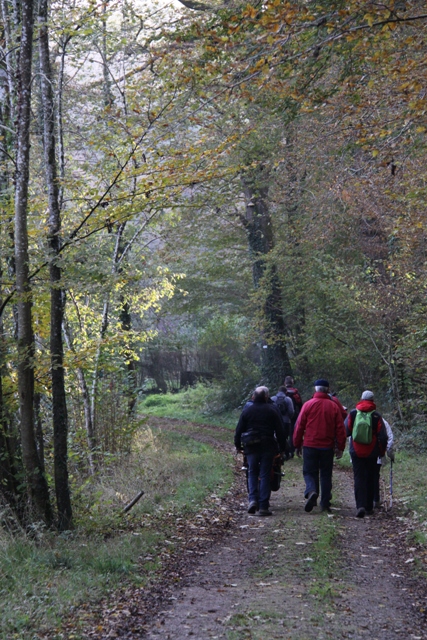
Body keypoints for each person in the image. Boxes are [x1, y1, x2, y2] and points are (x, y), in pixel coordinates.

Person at [293, 379, 346, 513]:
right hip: (326, 446)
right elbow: (340, 428)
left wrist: (297, 444)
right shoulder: (333, 406)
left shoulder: (308, 405)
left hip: (310, 444)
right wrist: (340, 447)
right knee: (325, 474)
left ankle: (311, 491)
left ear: (315, 390)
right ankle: (325, 503)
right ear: (328, 390)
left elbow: (299, 426)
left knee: (309, 471)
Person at [234, 386, 287, 516]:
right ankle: (263, 506)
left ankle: (252, 500)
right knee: (265, 474)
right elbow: (280, 431)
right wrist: (283, 448)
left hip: (251, 446)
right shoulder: (272, 410)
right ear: (266, 397)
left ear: (253, 397)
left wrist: (238, 446)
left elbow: (239, 430)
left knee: (252, 472)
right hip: (268, 446)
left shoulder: (247, 410)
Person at [345, 390, 388, 518]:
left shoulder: (353, 414)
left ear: (361, 399)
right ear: (373, 400)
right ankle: (369, 507)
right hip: (372, 452)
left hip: (356, 451)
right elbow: (383, 437)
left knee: (358, 478)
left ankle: (360, 506)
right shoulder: (376, 416)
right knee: (370, 478)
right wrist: (382, 452)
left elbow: (346, 431)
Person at [373, 418, 395, 508]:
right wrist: (388, 453)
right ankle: (375, 500)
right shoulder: (380, 420)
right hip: (377, 455)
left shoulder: (357, 416)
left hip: (360, 455)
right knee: (374, 476)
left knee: (363, 477)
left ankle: (363, 503)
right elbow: (390, 437)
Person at [271, 386, 294, 455]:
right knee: (285, 437)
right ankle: (285, 452)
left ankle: (276, 451)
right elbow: (291, 411)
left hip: (274, 422)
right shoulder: (288, 399)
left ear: (278, 391)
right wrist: (289, 418)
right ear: (286, 392)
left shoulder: (272, 399)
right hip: (286, 421)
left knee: (275, 436)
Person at [284, 376, 303, 457]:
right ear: (292, 383)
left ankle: (284, 451)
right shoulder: (296, 393)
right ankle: (291, 451)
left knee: (283, 433)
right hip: (294, 416)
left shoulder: (283, 392)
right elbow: (300, 405)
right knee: (292, 433)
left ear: (285, 383)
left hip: (284, 416)